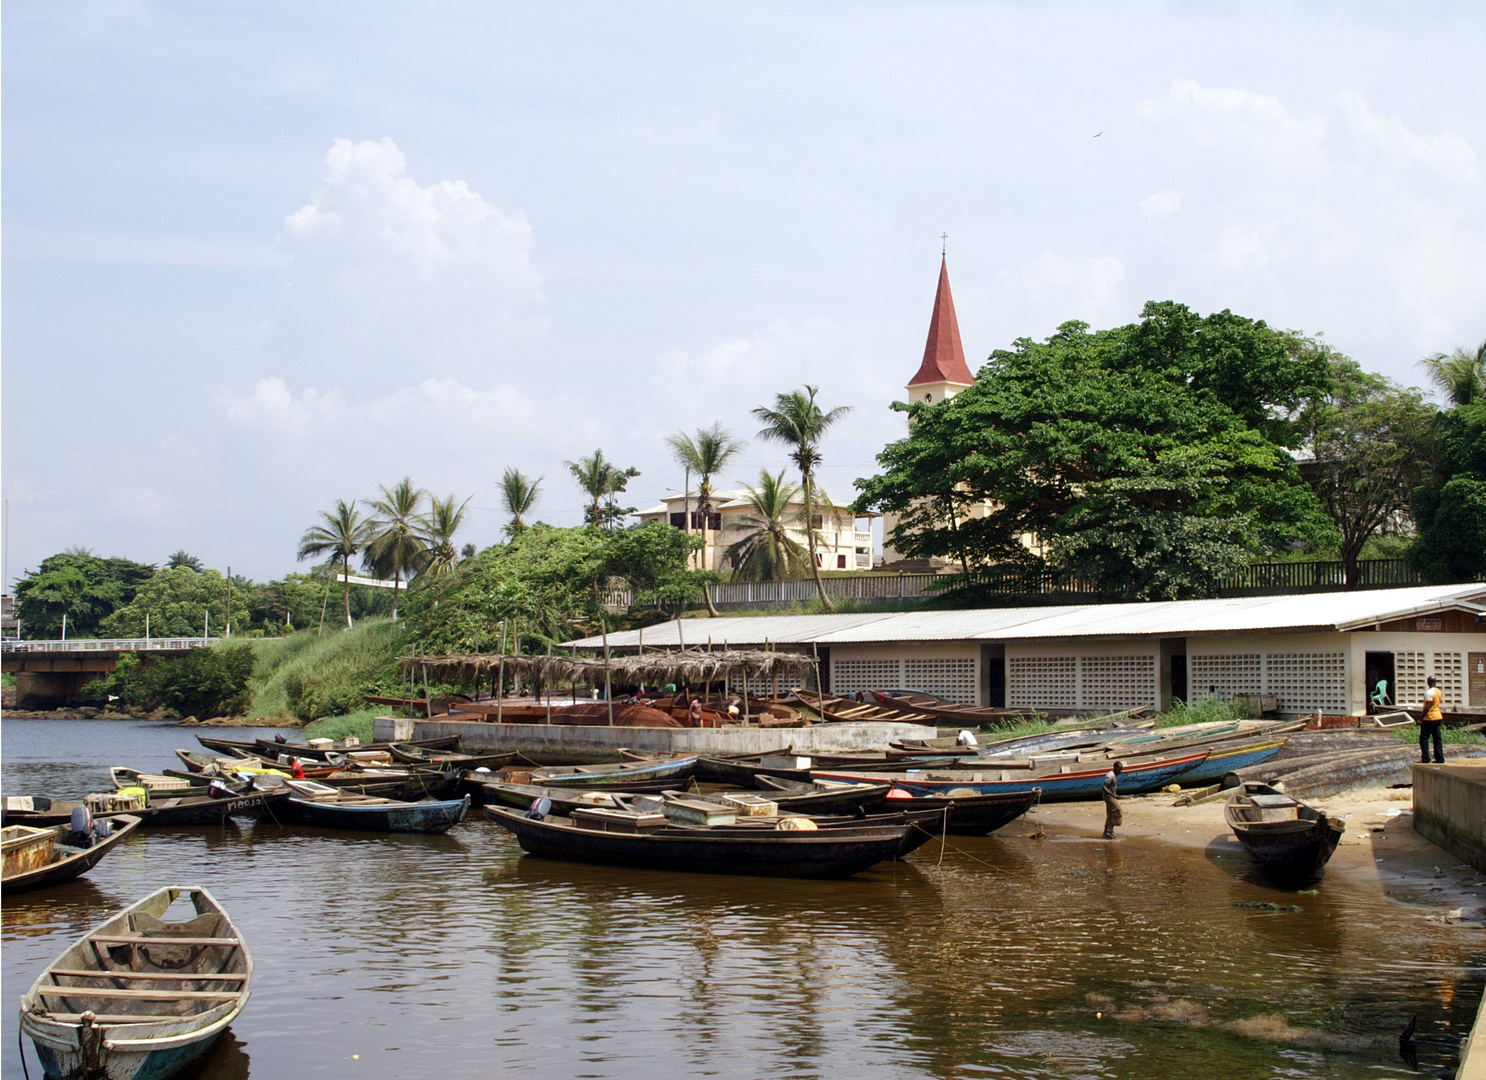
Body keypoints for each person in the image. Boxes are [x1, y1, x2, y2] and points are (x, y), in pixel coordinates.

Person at [1420, 676, 1445, 764]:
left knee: (1424, 739)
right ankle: (1440, 758)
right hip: (1438, 716)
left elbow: (1427, 706)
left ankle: (1426, 758)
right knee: (1437, 739)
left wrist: (1421, 718)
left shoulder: (1429, 692)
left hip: (1429, 717)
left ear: (1428, 682)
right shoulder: (1438, 691)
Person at [1102, 761, 1124, 840]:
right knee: (1117, 810)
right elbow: (1104, 787)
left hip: (1110, 796)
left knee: (1110, 814)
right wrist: (1112, 795)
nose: (1120, 772)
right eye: (1119, 770)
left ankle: (1106, 832)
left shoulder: (1114, 775)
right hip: (1108, 796)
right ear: (1115, 768)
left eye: (1121, 770)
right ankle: (1110, 830)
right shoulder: (1110, 775)